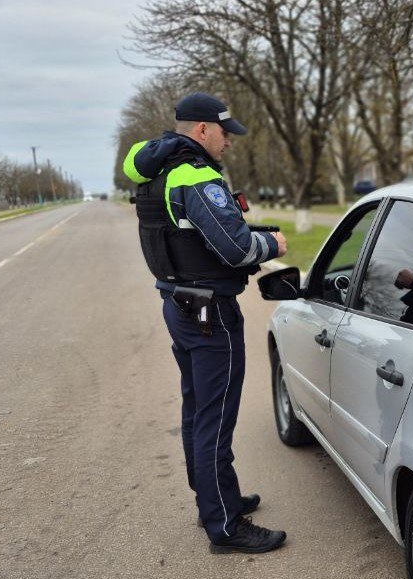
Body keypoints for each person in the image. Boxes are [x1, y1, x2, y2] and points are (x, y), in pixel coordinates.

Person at [122, 92, 288, 554]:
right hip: (211, 310)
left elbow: (199, 237)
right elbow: (234, 250)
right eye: (223, 133)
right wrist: (273, 244)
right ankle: (226, 526)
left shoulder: (157, 171)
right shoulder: (195, 177)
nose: (228, 143)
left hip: (179, 302)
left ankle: (215, 500)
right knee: (215, 417)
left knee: (198, 410)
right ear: (201, 130)